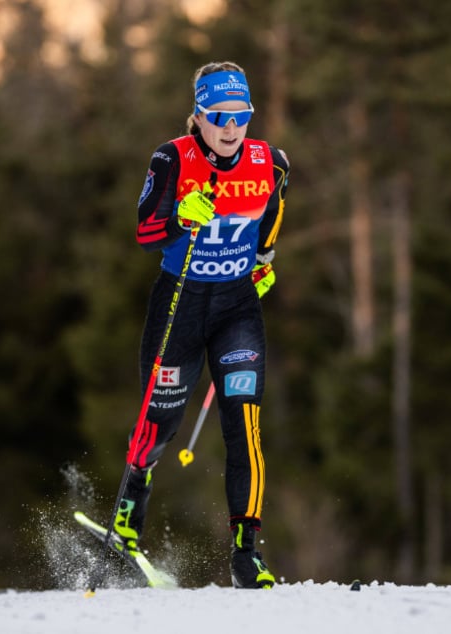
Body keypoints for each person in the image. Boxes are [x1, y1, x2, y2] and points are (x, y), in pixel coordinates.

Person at [117, 61, 289, 589]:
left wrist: (262, 268)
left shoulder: (271, 164)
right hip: (181, 304)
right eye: (219, 115)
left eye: (242, 115)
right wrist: (180, 218)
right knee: (159, 420)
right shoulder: (172, 158)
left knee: (246, 428)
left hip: (237, 308)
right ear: (199, 115)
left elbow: (269, 230)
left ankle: (246, 552)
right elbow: (146, 232)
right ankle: (128, 515)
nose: (231, 127)